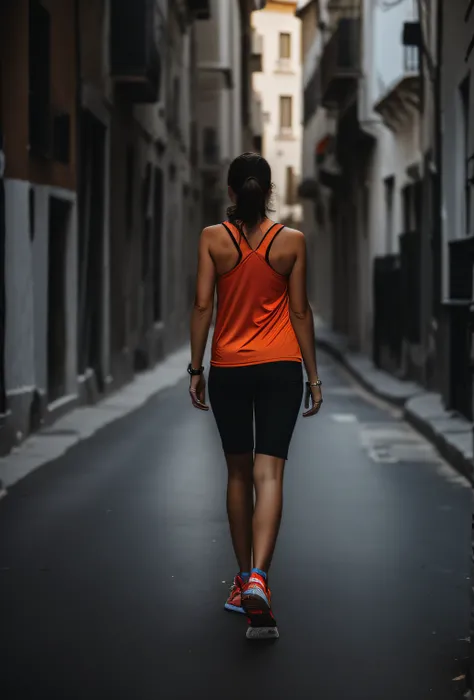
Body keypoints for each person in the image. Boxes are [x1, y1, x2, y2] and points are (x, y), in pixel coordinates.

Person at [188, 152, 322, 640]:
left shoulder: (212, 239)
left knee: (239, 473)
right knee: (271, 473)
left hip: (228, 369)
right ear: (269, 193)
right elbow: (301, 312)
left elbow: (204, 304)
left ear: (230, 193)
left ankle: (243, 579)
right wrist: (313, 377)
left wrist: (195, 367)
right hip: (282, 369)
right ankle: (262, 578)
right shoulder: (292, 243)